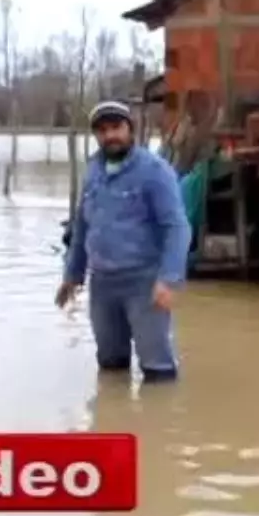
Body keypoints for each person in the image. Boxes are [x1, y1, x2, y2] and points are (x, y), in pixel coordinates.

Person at [55, 100, 192, 383]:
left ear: (131, 129)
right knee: (110, 364)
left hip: (144, 282)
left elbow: (177, 227)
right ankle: (114, 421)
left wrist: (168, 279)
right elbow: (83, 225)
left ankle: (159, 423)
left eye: (116, 127)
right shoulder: (93, 170)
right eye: (102, 130)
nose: (110, 136)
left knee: (157, 366)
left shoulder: (155, 171)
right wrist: (72, 275)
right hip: (103, 284)